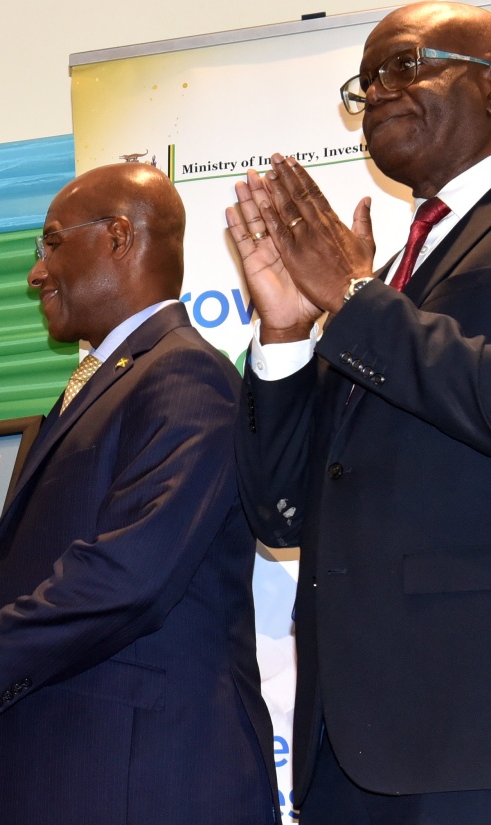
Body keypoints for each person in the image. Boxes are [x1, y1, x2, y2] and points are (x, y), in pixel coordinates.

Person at [0, 163, 278, 824]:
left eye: (49, 244)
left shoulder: (184, 374)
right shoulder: (110, 381)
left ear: (118, 239)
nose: (35, 273)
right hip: (79, 772)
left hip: (141, 781)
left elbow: (126, 575)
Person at [225, 3, 491, 822]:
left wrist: (352, 296)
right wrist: (287, 330)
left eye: (407, 65)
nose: (378, 93)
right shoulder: (393, 274)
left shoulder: (373, 289)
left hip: (466, 735)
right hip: (345, 745)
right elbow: (282, 510)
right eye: (366, 81)